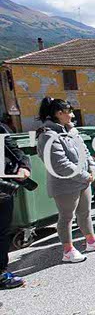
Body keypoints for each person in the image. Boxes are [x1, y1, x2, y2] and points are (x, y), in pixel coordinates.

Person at [37, 97, 95, 262]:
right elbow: (60, 164)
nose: (72, 115)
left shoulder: (71, 131)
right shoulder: (47, 135)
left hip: (82, 181)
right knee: (66, 217)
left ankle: (91, 241)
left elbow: (85, 152)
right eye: (69, 111)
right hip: (65, 185)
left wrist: (93, 168)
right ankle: (68, 250)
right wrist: (85, 175)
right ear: (59, 113)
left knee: (85, 213)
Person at [0, 123, 31, 288]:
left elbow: (14, 150)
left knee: (2, 233)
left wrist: (24, 166)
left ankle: (1, 274)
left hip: (2, 189)